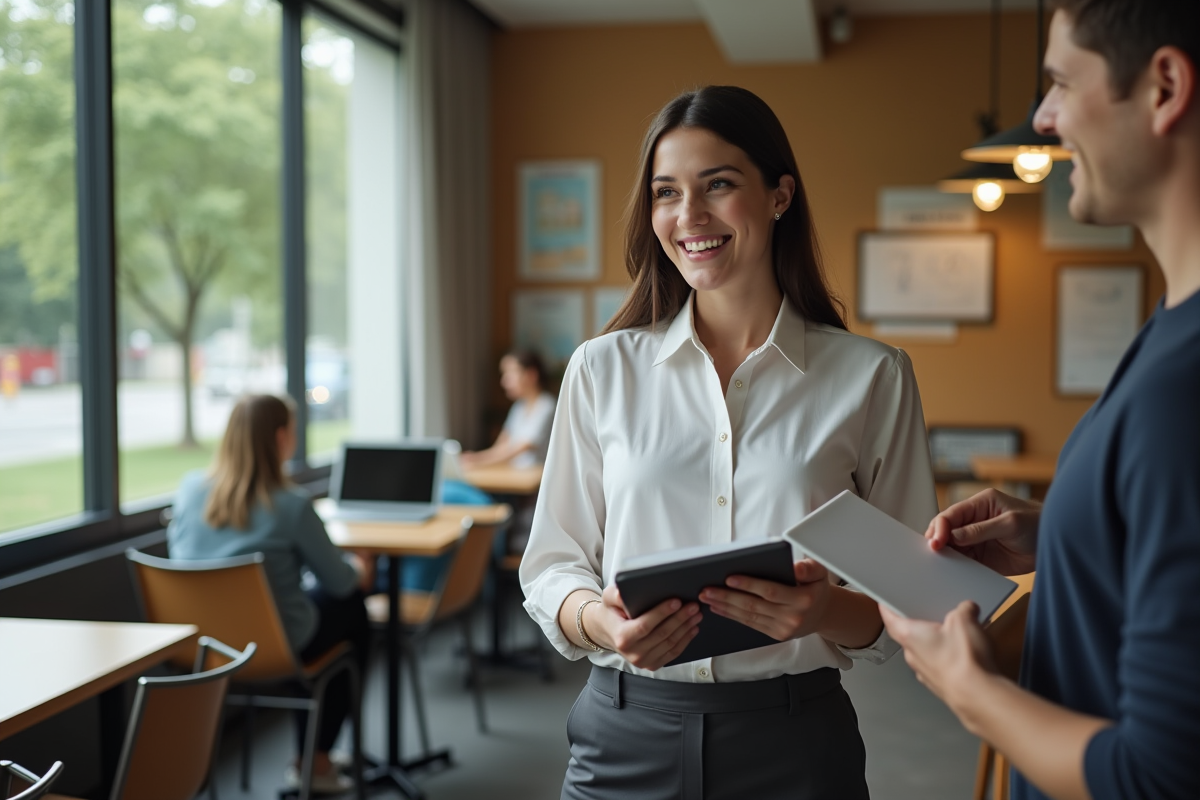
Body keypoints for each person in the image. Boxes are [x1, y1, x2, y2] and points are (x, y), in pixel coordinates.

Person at [520, 85, 940, 799]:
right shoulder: (601, 368)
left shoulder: (873, 376)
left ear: (780, 196)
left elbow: (912, 597)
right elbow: (553, 565)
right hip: (624, 734)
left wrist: (823, 612)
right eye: (666, 192)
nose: (690, 216)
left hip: (797, 740)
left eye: (718, 184)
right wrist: (599, 620)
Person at [880, 4, 1200, 800]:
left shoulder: (1183, 387)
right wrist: (1063, 535)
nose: (1044, 119)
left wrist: (971, 691)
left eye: (1058, 82)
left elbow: (1156, 778)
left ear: (1164, 87)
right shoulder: (1170, 330)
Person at [167, 394, 370, 795]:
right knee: (350, 609)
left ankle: (314, 757)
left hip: (202, 646)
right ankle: (316, 760)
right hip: (274, 646)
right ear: (281, 437)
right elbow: (341, 581)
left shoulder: (189, 489)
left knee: (298, 606)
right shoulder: (291, 504)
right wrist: (362, 565)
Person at [460, 349, 556, 471]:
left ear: (531, 375)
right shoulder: (519, 407)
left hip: (534, 483)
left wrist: (478, 463)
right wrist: (473, 458)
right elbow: (501, 446)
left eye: (510, 373)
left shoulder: (547, 406)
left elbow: (520, 448)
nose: (504, 381)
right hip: (514, 475)